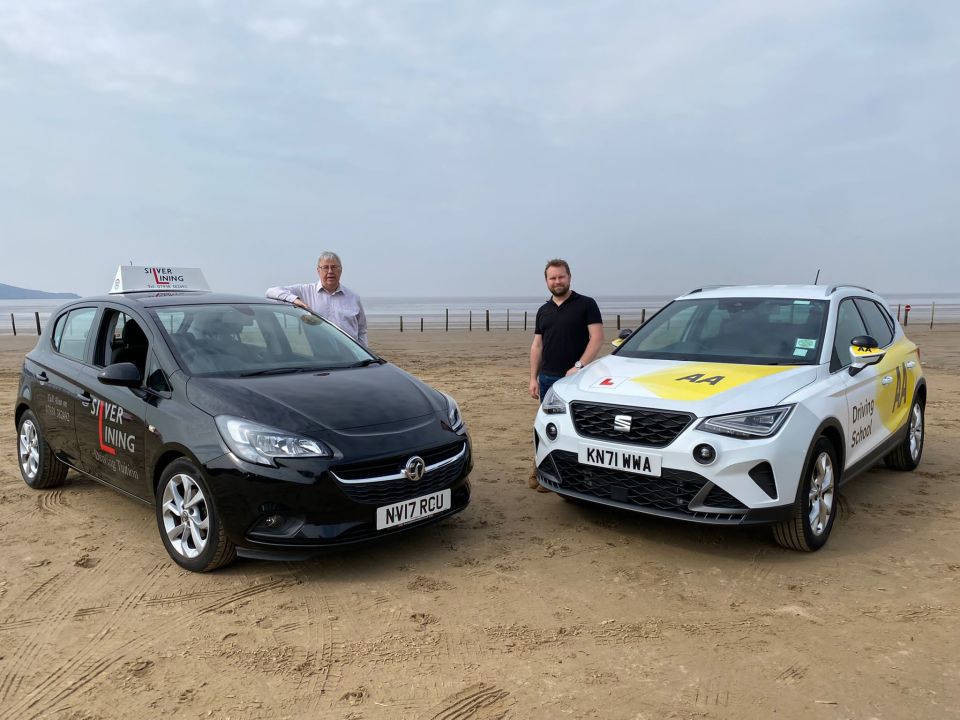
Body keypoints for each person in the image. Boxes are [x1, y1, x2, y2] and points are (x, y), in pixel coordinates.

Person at [528, 259, 604, 490]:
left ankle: (570, 474)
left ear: (569, 277)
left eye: (561, 276)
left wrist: (580, 365)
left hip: (576, 379)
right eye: (552, 278)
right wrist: (533, 378)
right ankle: (541, 469)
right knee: (547, 426)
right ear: (546, 281)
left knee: (573, 428)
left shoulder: (586, 304)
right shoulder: (543, 311)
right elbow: (537, 346)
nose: (557, 281)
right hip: (547, 379)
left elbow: (597, 338)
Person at [266, 252, 368, 346]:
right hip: (320, 354)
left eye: (334, 267)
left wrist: (363, 352)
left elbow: (362, 330)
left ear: (340, 270)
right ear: (318, 270)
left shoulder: (353, 297)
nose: (330, 271)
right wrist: (295, 300)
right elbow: (271, 291)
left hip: (350, 354)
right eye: (325, 267)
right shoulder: (305, 291)